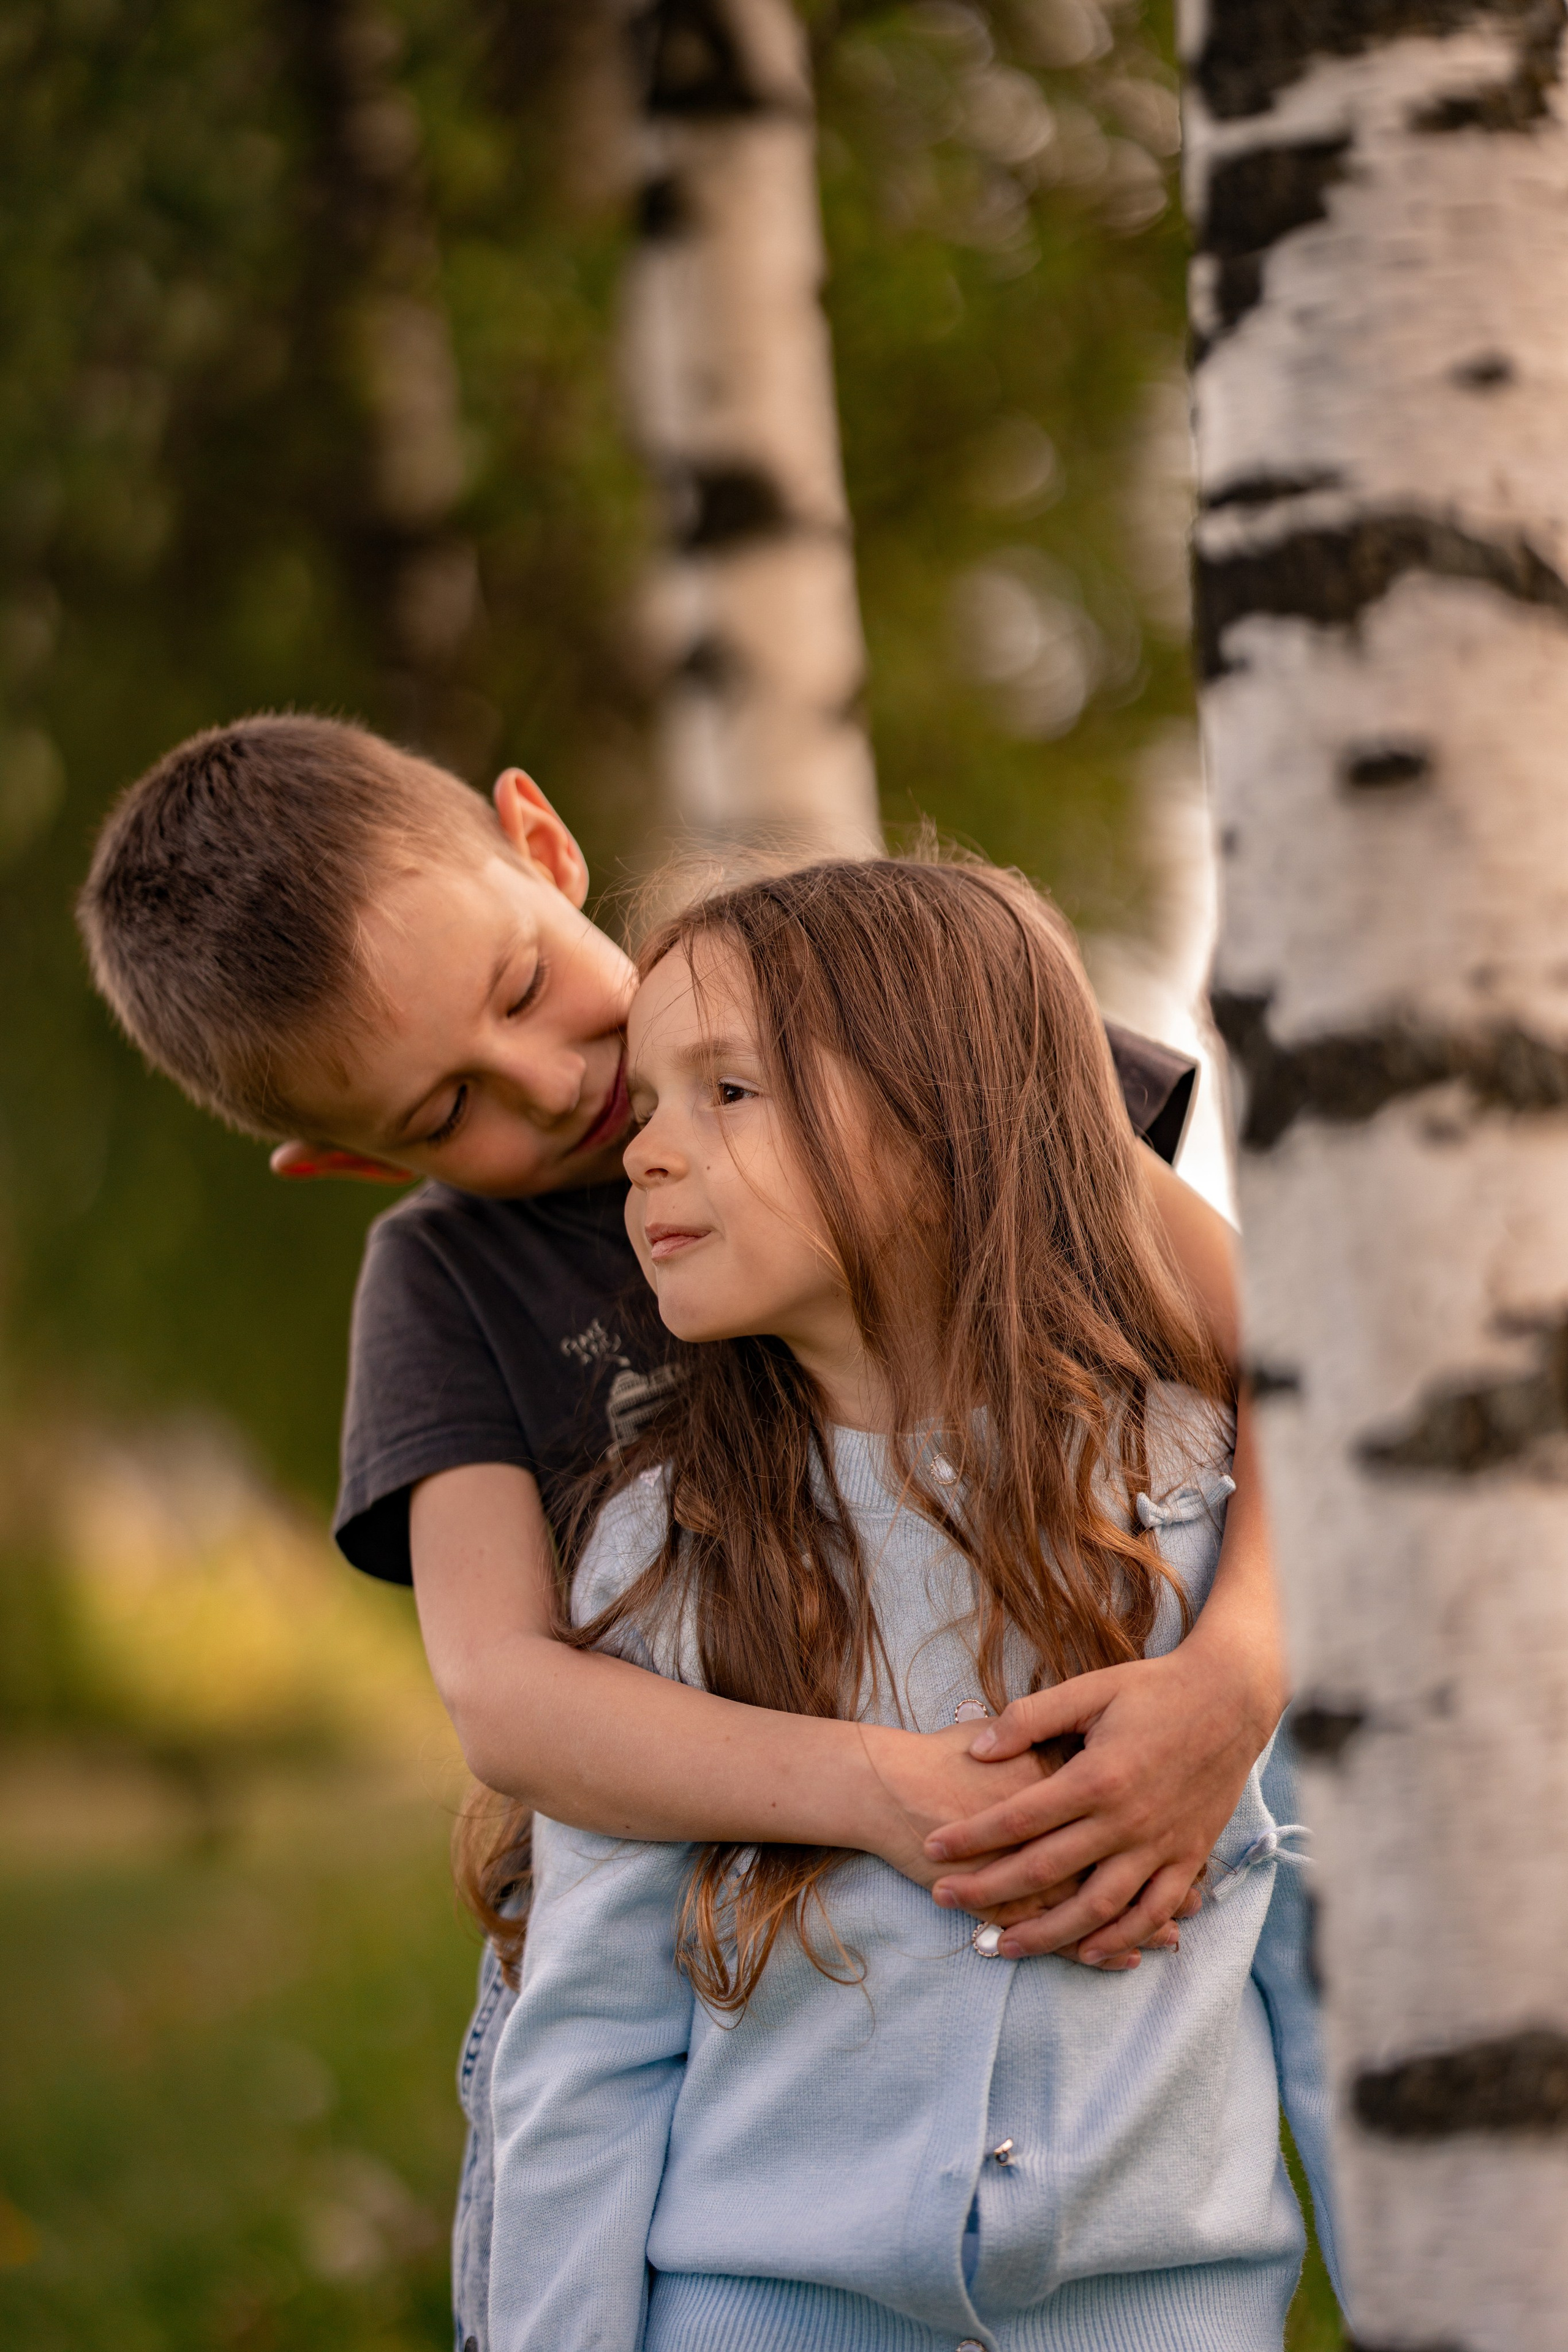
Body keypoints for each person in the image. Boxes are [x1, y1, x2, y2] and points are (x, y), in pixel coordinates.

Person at [75, 715, 1310, 2333]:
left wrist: (1238, 1675)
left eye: (523, 988)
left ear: (541, 843)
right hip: (691, 1940)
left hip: (1068, 1916)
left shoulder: (884, 1022)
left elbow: (1293, 1364)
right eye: (449, 1111)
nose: (562, 1084)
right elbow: (508, 1698)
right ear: (342, 1159)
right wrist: (885, 1795)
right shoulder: (447, 1284)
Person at [484, 854, 1328, 2352]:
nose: (641, 1156)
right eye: (644, 1105)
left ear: (945, 1120)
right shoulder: (656, 1552)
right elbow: (589, 2049)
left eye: (724, 1092)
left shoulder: (1198, 1516)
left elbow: (1337, 1977)